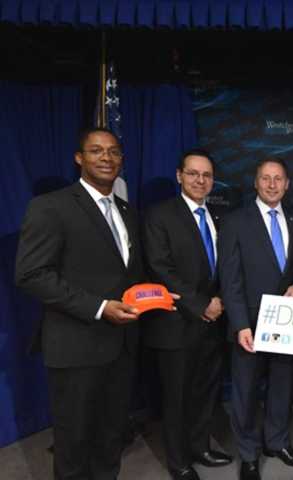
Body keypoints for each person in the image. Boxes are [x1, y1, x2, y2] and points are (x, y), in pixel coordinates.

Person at [15, 127, 145, 479]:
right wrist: (101, 307)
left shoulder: (127, 211)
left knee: (109, 439)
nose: (107, 158)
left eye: (114, 151)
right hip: (76, 347)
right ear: (79, 158)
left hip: (120, 348)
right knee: (73, 445)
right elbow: (31, 274)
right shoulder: (50, 206)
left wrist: (157, 295)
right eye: (96, 151)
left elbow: (125, 275)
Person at [218, 157, 293, 480]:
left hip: (286, 322)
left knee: (282, 386)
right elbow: (230, 280)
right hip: (249, 324)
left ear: (287, 184)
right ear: (256, 183)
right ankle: (248, 454)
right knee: (245, 390)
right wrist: (240, 323)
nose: (272, 184)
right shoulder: (234, 222)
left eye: (278, 179)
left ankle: (277, 442)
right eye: (265, 178)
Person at [142, 149, 232, 480]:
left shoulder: (217, 216)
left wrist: (221, 299)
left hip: (212, 324)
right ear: (179, 175)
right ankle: (179, 462)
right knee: (177, 397)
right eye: (193, 173)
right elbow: (160, 267)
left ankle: (200, 448)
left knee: (205, 391)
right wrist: (200, 305)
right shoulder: (159, 214)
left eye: (207, 175)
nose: (200, 180)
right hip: (176, 324)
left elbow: (223, 267)